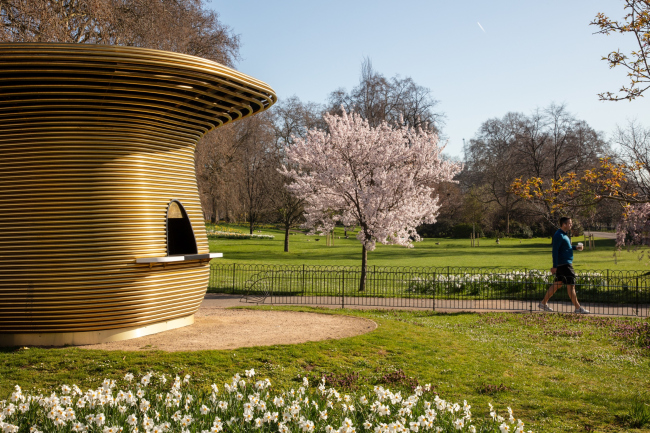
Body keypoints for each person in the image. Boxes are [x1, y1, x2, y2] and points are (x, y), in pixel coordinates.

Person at [538, 217, 589, 314]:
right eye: (569, 223)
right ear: (564, 224)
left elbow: (566, 248)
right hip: (565, 265)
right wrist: (554, 266)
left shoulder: (564, 235)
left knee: (557, 284)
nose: (571, 225)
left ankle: (543, 303)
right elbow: (555, 251)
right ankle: (578, 308)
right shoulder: (558, 235)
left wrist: (576, 247)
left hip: (563, 264)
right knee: (571, 285)